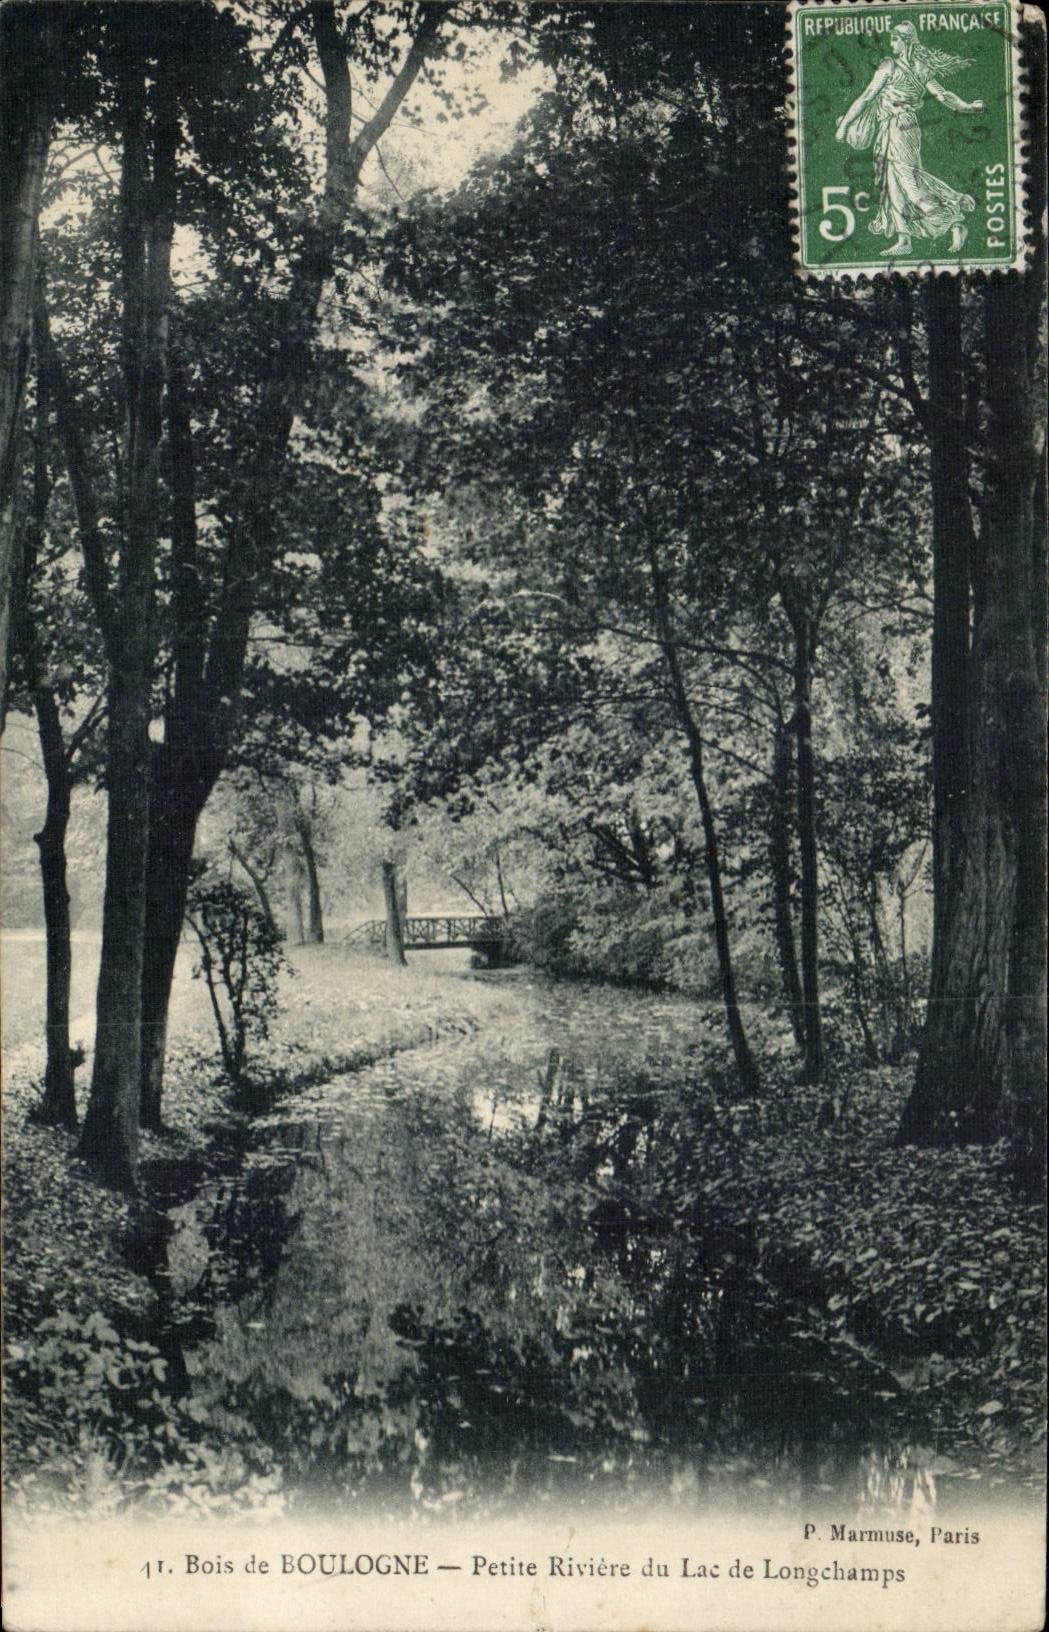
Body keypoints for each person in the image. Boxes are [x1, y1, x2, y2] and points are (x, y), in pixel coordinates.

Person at [835, 22, 985, 256]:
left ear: (906, 40)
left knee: (910, 186)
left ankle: (954, 221)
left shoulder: (890, 66)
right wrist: (967, 107)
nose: (891, 44)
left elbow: (866, 97)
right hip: (900, 127)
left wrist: (844, 127)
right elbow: (943, 96)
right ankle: (904, 239)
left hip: (899, 129)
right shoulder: (920, 67)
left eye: (895, 39)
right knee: (893, 184)